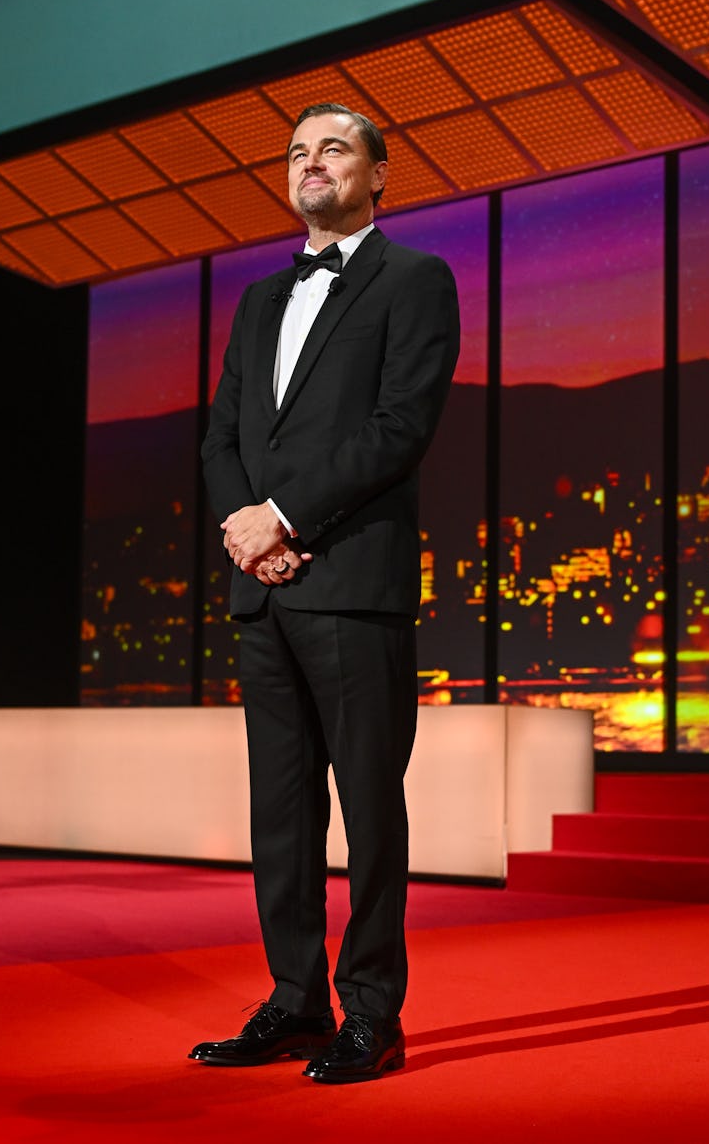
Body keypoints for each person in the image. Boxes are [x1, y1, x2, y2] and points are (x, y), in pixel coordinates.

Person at [191, 103, 460, 1083]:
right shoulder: (258, 298)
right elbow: (220, 435)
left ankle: (372, 1014)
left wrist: (286, 520)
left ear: (380, 174)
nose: (311, 164)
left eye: (333, 148)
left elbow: (401, 426)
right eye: (298, 152)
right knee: (282, 812)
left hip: (352, 586)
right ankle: (294, 1000)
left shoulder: (417, 279)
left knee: (370, 812)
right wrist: (245, 535)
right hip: (263, 593)